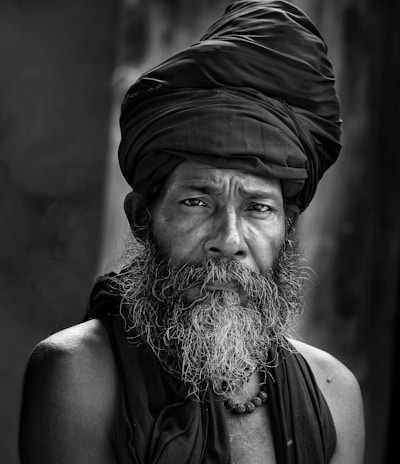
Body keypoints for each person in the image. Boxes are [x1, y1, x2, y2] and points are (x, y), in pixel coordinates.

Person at [19, 1, 365, 463]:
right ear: (142, 217)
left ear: (288, 229)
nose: (229, 238)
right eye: (197, 201)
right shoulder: (79, 374)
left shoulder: (333, 393)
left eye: (258, 208)